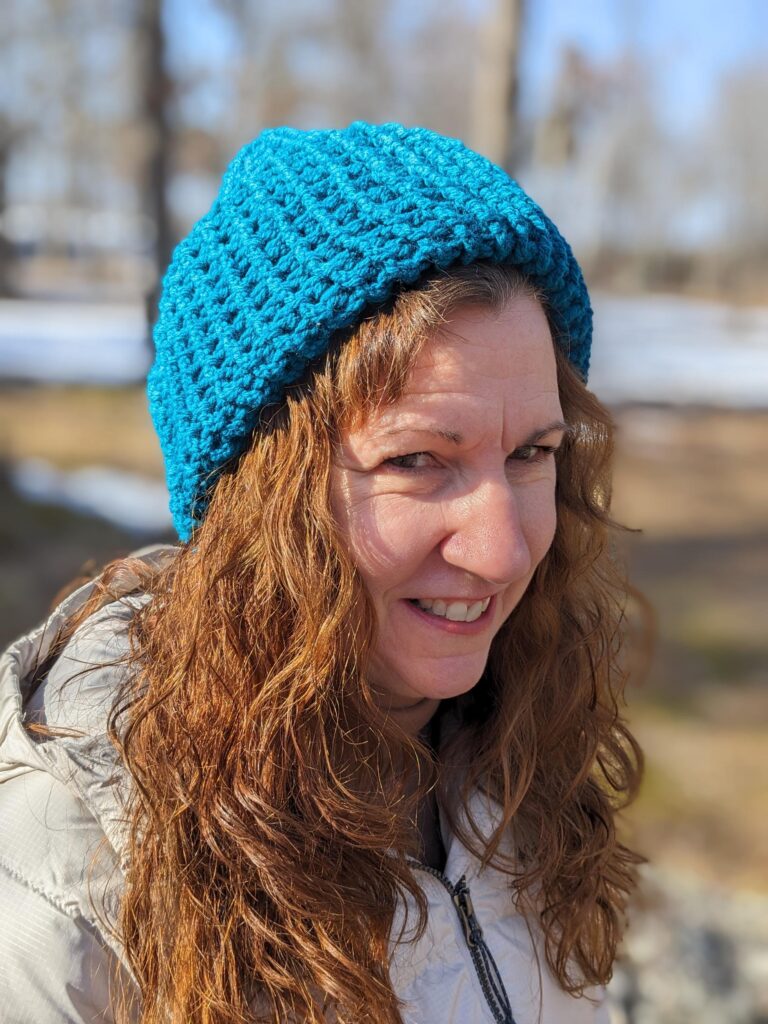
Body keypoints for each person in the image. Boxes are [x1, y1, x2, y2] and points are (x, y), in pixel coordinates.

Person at [0, 122, 645, 1024]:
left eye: (533, 453)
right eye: (418, 460)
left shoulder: (522, 752)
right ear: (262, 499)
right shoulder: (73, 869)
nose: (502, 551)